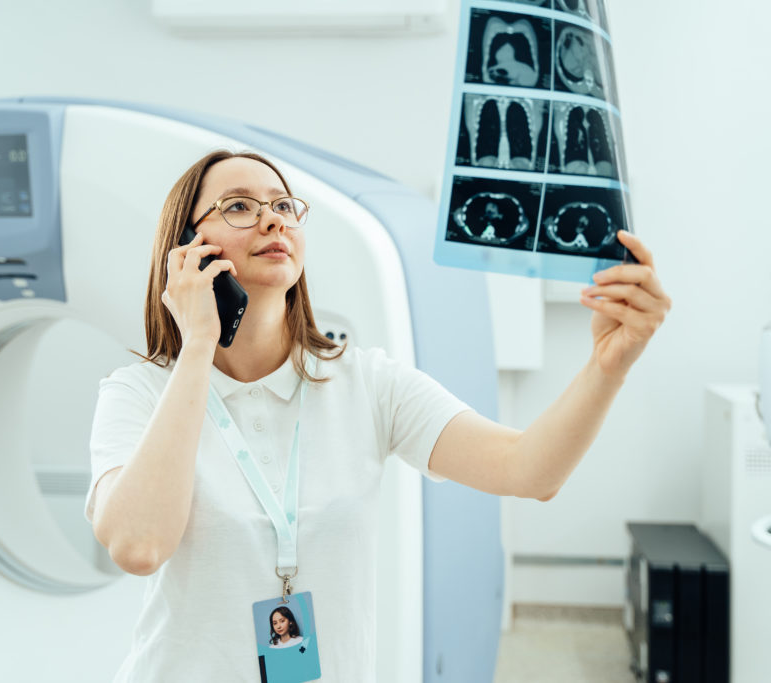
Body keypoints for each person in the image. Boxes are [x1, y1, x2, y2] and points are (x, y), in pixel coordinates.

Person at [85, 150, 671, 682]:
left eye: (284, 205)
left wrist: (607, 367)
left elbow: (529, 470)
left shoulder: (366, 381)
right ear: (187, 248)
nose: (273, 219)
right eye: (239, 206)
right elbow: (139, 546)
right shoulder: (137, 393)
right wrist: (196, 346)